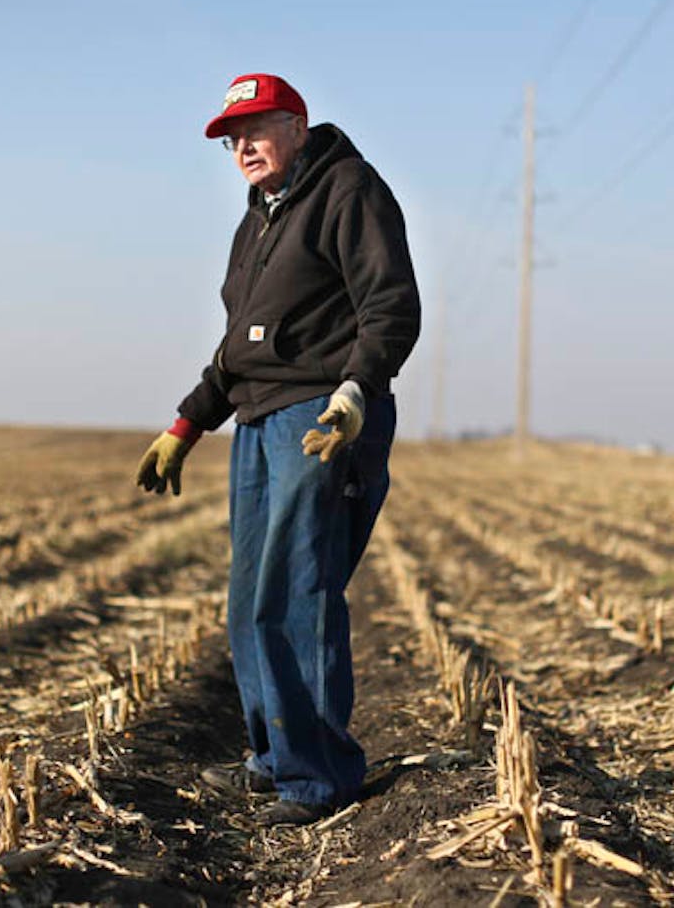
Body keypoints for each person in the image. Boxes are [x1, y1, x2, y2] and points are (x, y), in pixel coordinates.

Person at [135, 73, 420, 826]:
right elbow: (240, 348)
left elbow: (390, 304)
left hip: (322, 418)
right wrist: (187, 424)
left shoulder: (346, 188)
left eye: (257, 128)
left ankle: (318, 775)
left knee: (299, 591)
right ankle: (275, 756)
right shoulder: (258, 220)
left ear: (297, 125)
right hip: (258, 422)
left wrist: (358, 390)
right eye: (232, 137)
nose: (242, 147)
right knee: (248, 602)